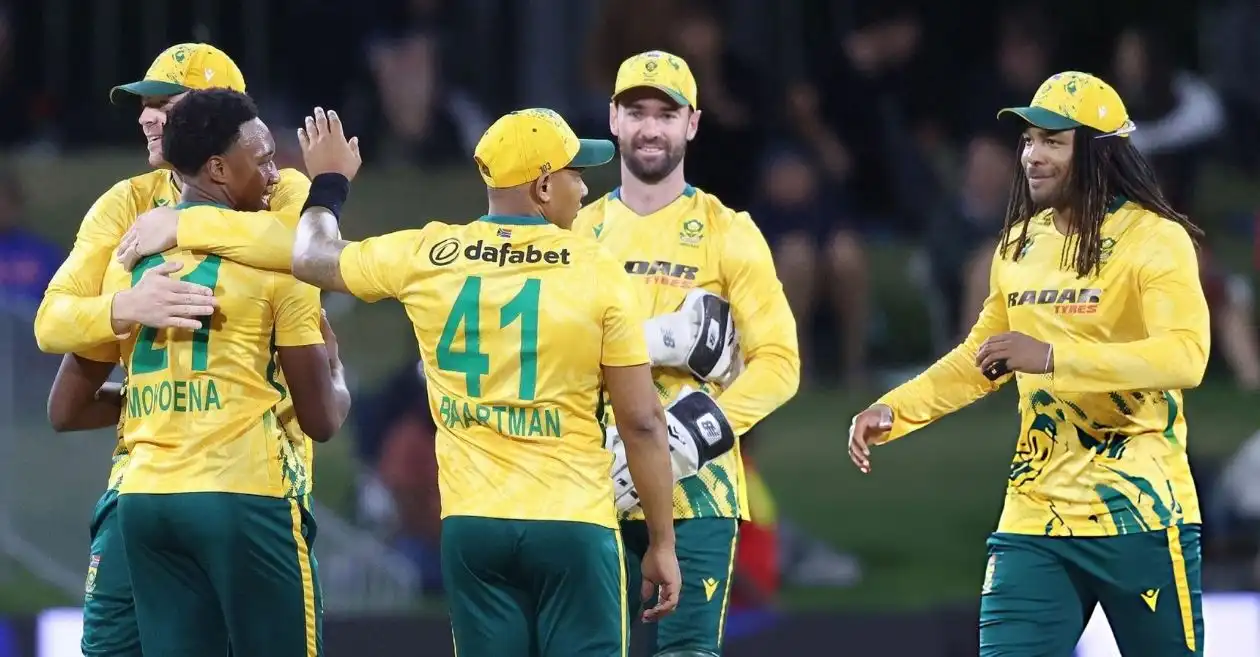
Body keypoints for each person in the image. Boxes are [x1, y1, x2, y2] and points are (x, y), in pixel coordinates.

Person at [281, 105, 682, 656]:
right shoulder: (596, 269)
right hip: (570, 521)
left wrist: (329, 183)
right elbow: (642, 421)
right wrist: (662, 541)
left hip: (473, 528)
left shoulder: (430, 254)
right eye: (575, 173)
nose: (585, 188)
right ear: (544, 186)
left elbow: (309, 256)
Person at [848, 72, 1209, 656]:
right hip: (1035, 516)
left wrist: (1051, 357)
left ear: (1098, 152)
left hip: (1141, 515)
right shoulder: (1019, 244)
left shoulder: (1155, 239)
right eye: (1028, 141)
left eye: (1052, 142)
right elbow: (983, 357)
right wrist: (895, 409)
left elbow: (1185, 356)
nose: (1032, 157)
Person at [31, 43, 322, 657]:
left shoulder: (277, 186)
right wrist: (124, 308)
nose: (146, 118)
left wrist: (183, 222)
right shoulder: (126, 202)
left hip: (257, 473)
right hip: (149, 477)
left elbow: (306, 248)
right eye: (145, 105)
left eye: (165, 104)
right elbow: (51, 322)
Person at [105, 88, 349, 656]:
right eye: (262, 161)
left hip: (145, 499)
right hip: (244, 494)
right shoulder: (280, 267)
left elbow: (67, 382)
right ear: (218, 168)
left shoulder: (131, 263)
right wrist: (337, 371)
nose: (275, 175)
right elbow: (321, 420)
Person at [573, 50, 801, 657]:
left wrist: (689, 437)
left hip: (699, 493)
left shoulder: (730, 231)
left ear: (692, 124)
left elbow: (781, 364)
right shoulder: (577, 232)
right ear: (613, 119)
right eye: (636, 112)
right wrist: (662, 340)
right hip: (590, 484)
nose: (650, 128)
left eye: (666, 114)